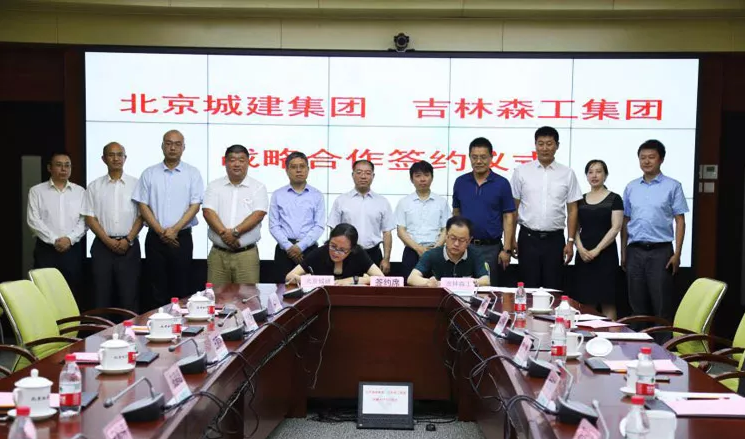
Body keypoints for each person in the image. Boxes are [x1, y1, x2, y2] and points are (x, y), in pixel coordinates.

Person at [621, 140, 688, 335]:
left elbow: (680, 221)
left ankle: (664, 349)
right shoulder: (631, 187)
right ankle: (636, 347)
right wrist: (623, 252)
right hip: (635, 251)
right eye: (643, 158)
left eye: (651, 157)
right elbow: (625, 221)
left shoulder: (673, 186)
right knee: (636, 305)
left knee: (661, 305)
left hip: (661, 252)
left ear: (661, 159)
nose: (646, 161)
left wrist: (677, 254)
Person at [132, 129, 204, 307]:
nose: (173, 148)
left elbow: (195, 205)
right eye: (169, 143)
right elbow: (143, 205)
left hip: (181, 238)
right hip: (155, 239)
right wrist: (161, 231)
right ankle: (158, 321)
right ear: (162, 146)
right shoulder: (149, 173)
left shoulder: (192, 173)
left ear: (183, 148)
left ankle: (180, 323)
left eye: (177, 144)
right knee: (156, 288)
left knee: (181, 286)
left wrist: (175, 230)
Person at [510, 126, 582, 290]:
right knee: (527, 288)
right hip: (528, 238)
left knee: (554, 287)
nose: (544, 148)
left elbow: (572, 210)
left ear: (557, 146)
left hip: (555, 240)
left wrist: (570, 241)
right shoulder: (521, 171)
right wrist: (511, 238)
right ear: (535, 145)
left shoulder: (567, 173)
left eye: (549, 144)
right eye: (540, 144)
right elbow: (513, 208)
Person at [81, 142, 144, 312]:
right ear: (104, 159)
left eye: (119, 154)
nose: (116, 158)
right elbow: (90, 217)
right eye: (111, 155)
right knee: (101, 295)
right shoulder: (94, 186)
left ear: (125, 158)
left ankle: (130, 330)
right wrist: (107, 241)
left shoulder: (137, 185)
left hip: (129, 246)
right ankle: (101, 330)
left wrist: (128, 239)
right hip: (102, 246)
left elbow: (142, 215)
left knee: (129, 296)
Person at [453, 137, 516, 286]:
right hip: (464, 247)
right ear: (469, 157)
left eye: (483, 157)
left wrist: (506, 249)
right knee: (462, 288)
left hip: (491, 248)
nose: (478, 161)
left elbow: (508, 217)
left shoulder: (502, 183)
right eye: (474, 157)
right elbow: (456, 213)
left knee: (489, 289)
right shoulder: (460, 182)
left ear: (491, 157)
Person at [203, 145, 268, 284]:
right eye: (232, 160)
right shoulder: (214, 186)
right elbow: (208, 212)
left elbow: (258, 214)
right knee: (216, 295)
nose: (237, 164)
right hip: (218, 255)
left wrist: (235, 232)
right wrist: (225, 234)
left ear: (248, 162)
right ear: (225, 162)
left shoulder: (258, 187)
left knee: (248, 296)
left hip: (246, 255)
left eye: (241, 160)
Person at [27, 152, 86, 297]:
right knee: (44, 291)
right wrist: (55, 240)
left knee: (71, 292)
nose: (64, 169)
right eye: (59, 165)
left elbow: (84, 221)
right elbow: (33, 220)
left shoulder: (80, 192)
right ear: (49, 168)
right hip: (46, 250)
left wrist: (69, 239)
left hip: (72, 249)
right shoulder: (36, 191)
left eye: (67, 165)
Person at [574, 160, 624, 320]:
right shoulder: (580, 199)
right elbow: (574, 227)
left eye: (598, 171)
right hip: (584, 255)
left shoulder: (614, 198)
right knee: (585, 303)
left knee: (607, 302)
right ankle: (587, 335)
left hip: (605, 255)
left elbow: (616, 227)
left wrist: (597, 250)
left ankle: (611, 335)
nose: (594, 175)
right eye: (590, 172)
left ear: (605, 175)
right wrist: (580, 248)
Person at [328, 160, 395, 274]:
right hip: (347, 253)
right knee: (346, 284)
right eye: (359, 172)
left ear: (373, 176)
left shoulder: (382, 202)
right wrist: (336, 255)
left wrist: (386, 259)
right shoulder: (341, 200)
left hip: (373, 253)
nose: (363, 176)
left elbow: (387, 232)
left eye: (367, 173)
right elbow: (333, 230)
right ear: (352, 175)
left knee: (373, 285)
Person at [269, 152, 325, 283]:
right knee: (282, 288)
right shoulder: (278, 194)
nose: (298, 170)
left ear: (308, 169)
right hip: (284, 251)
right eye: (294, 167)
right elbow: (274, 225)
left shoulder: (317, 195)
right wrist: (289, 247)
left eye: (302, 166)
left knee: (310, 290)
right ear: (287, 170)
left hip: (309, 251)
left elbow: (319, 226)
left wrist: (300, 246)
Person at [395, 161, 449, 281]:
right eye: (418, 176)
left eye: (426, 175)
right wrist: (418, 248)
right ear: (411, 179)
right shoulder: (404, 202)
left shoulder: (441, 202)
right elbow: (401, 231)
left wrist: (435, 249)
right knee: (410, 286)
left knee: (438, 286)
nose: (422, 179)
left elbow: (446, 229)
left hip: (436, 251)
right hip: (412, 251)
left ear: (432, 177)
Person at [285, 223, 384, 285]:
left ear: (352, 249)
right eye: (333, 246)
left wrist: (353, 280)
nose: (336, 252)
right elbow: (289, 277)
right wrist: (310, 280)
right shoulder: (320, 253)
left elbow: (381, 278)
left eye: (342, 250)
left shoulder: (358, 254)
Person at [407, 216, 490, 287]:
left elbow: (486, 280)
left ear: (469, 241)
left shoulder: (475, 254)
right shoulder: (431, 255)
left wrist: (467, 283)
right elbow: (412, 278)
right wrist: (428, 282)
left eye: (462, 240)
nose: (456, 244)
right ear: (446, 236)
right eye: (453, 238)